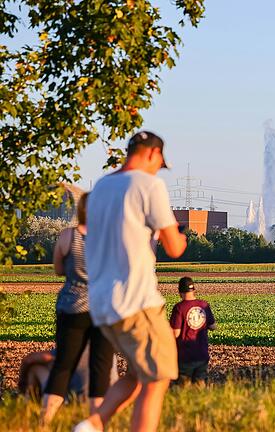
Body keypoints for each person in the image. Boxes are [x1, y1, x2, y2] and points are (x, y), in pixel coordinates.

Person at [75, 131, 187, 432]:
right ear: (153, 154)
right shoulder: (149, 185)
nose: (158, 169)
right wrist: (180, 233)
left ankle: (91, 425)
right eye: (160, 163)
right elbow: (175, 247)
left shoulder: (100, 188)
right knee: (158, 378)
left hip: (101, 303)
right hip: (137, 300)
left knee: (137, 375)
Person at [40, 193, 115, 425]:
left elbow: (59, 269)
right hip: (103, 308)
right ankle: (95, 423)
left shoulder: (67, 236)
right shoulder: (111, 239)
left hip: (72, 307)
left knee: (63, 364)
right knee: (100, 367)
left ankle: (45, 420)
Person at [19, 346, 119, 403]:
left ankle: (30, 402)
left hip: (78, 400)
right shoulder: (106, 345)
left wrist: (22, 382)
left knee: (35, 368)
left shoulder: (73, 343)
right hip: (110, 400)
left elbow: (28, 360)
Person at [170, 277, 217, 385]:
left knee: (183, 387)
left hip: (185, 356)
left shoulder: (179, 308)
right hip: (202, 354)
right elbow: (213, 326)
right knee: (200, 385)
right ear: (194, 290)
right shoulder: (204, 305)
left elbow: (175, 333)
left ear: (180, 292)